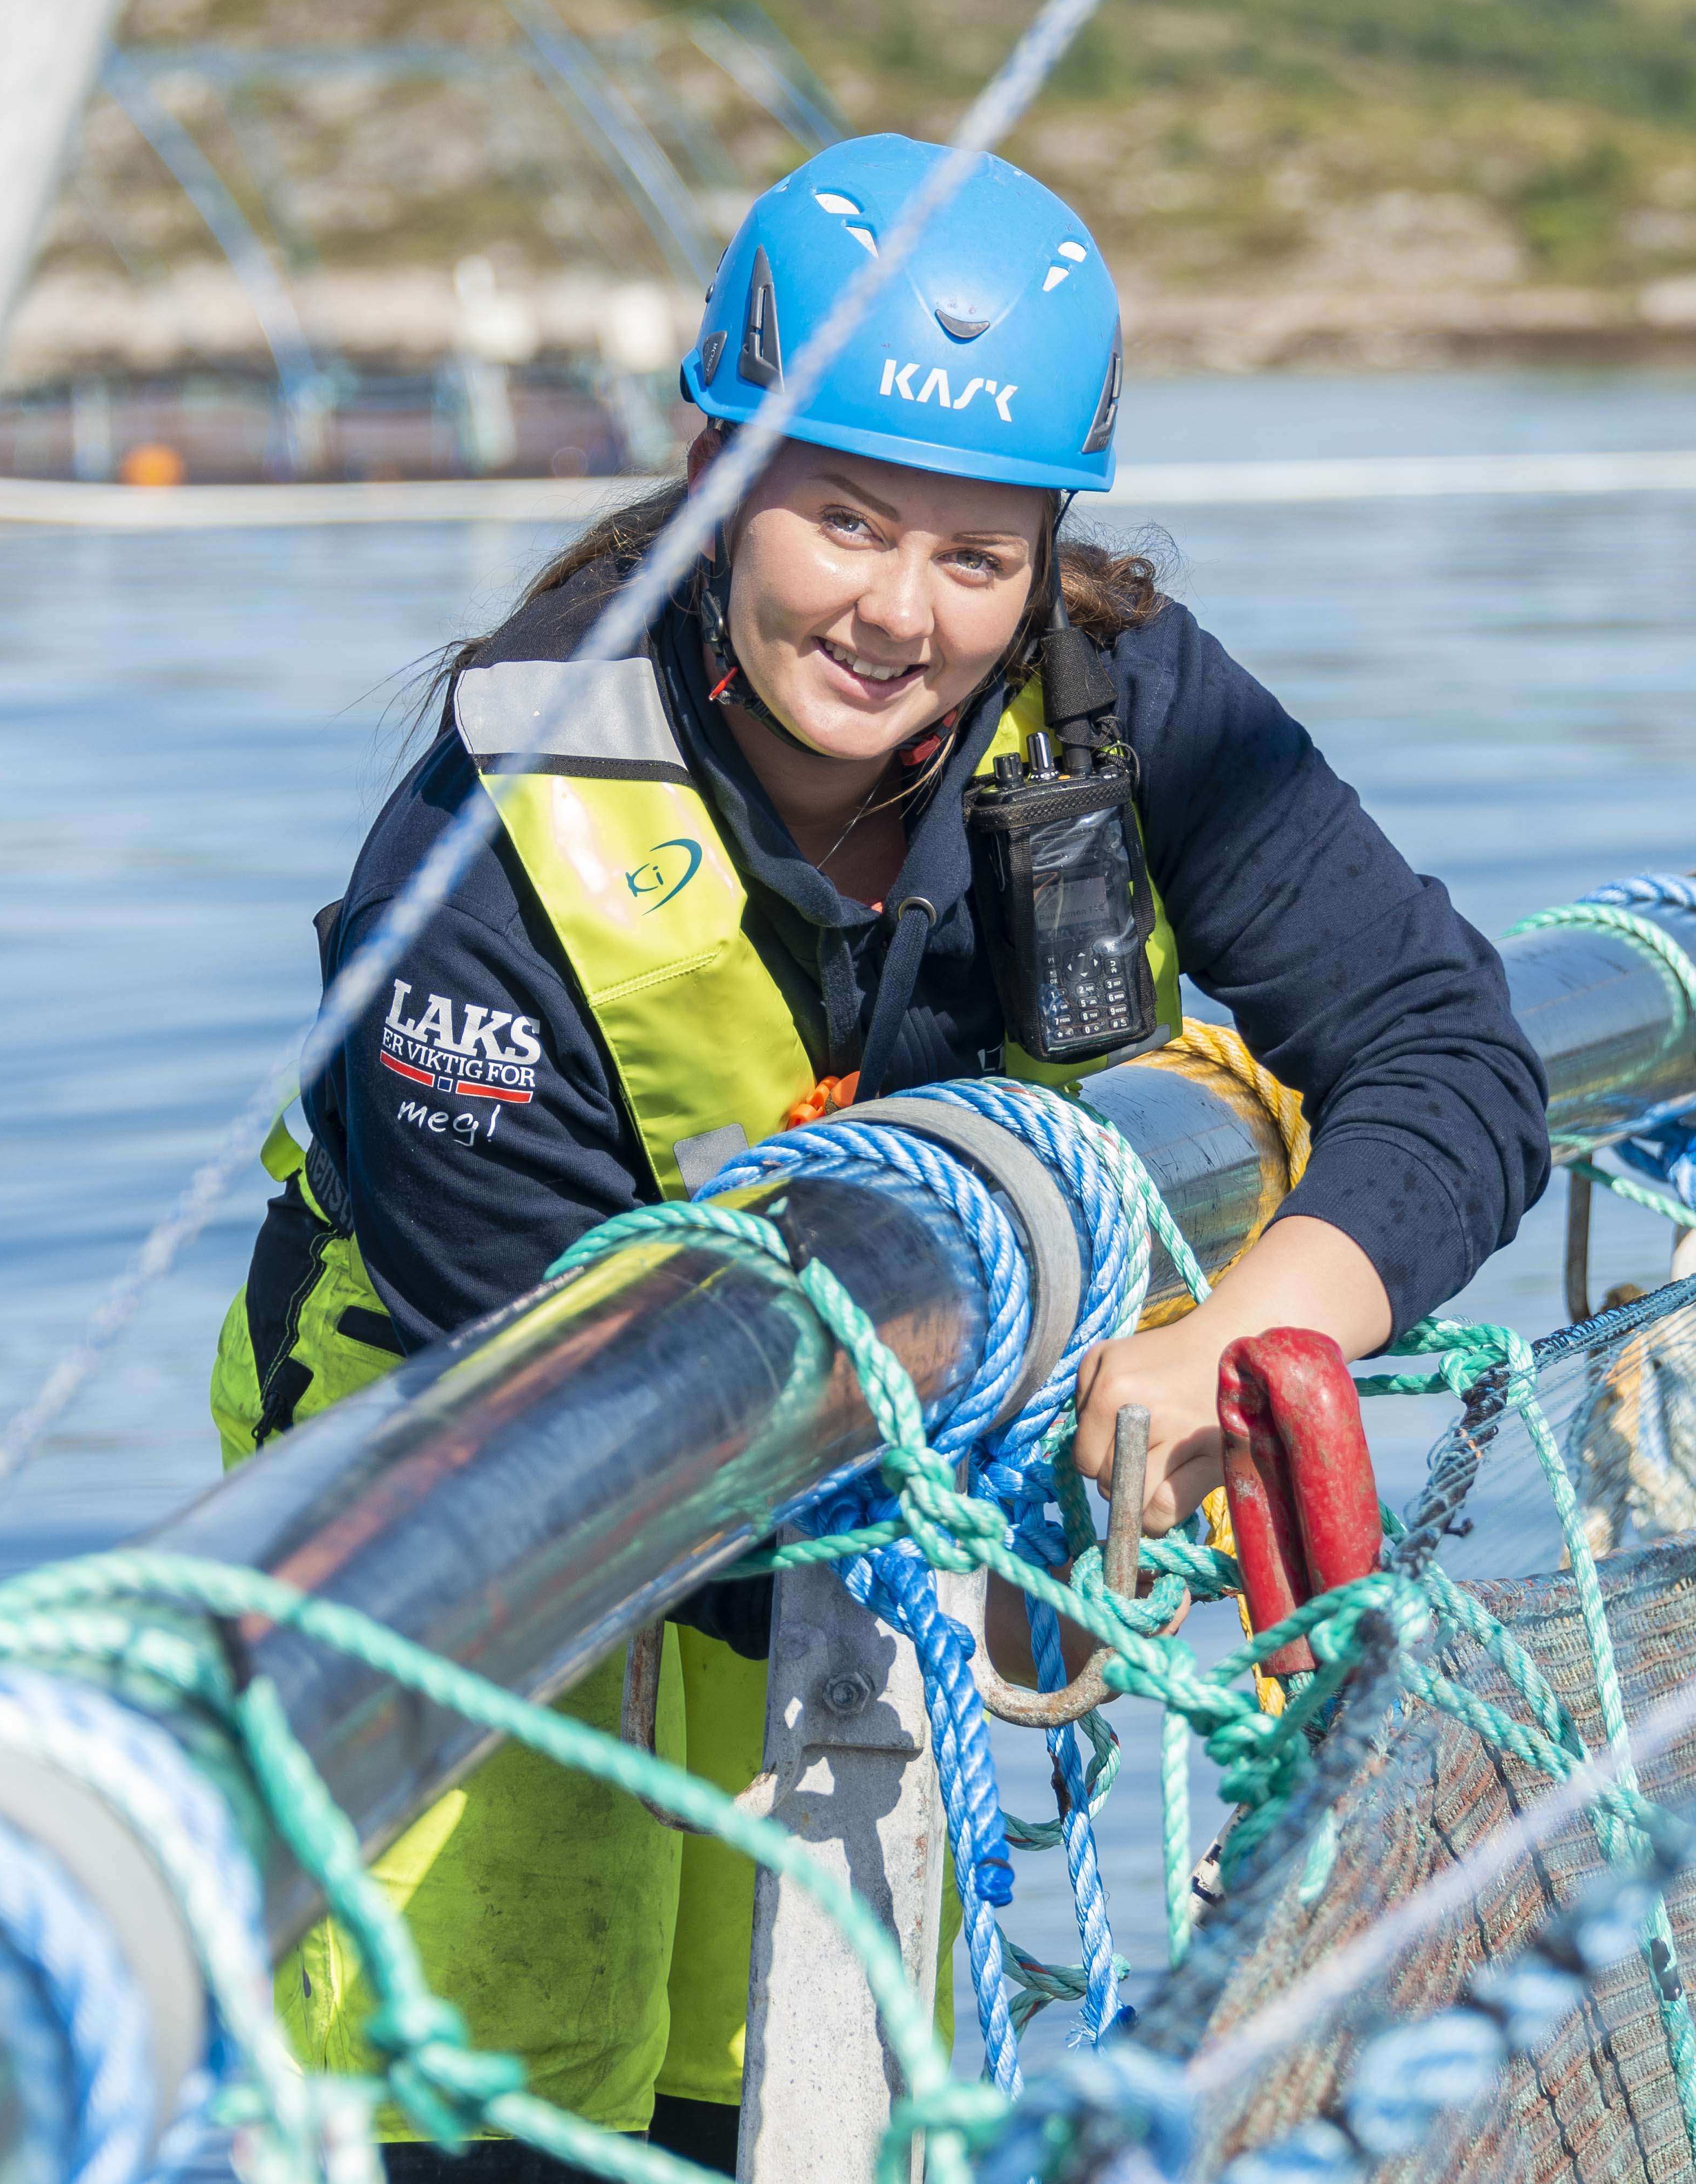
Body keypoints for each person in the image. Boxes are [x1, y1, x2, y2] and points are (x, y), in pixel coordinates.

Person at [205, 134, 1548, 2177]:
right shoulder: (490, 848)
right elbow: (552, 1400)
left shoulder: (1129, 707)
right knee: (500, 2107)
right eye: (842, 519)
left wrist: (1248, 1333)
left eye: (976, 554)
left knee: (803, 2106)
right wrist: (1005, 1523)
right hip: (483, 1544)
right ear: (716, 473)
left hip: (880, 1554)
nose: (899, 613)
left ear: (1049, 552)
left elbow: (1450, 1052)